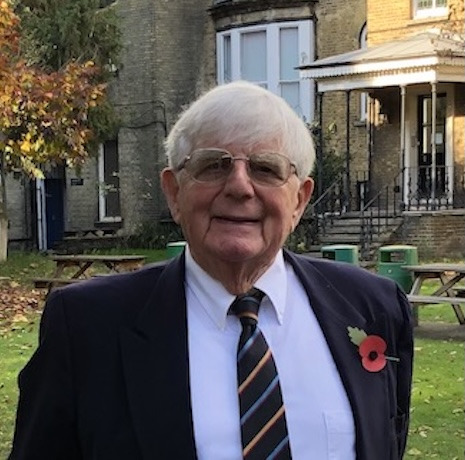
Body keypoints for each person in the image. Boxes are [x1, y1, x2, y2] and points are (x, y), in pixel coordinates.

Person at [9, 81, 413, 460]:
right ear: (174, 192)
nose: (239, 186)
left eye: (266, 168)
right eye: (213, 166)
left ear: (299, 200)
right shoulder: (86, 326)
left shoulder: (374, 307)